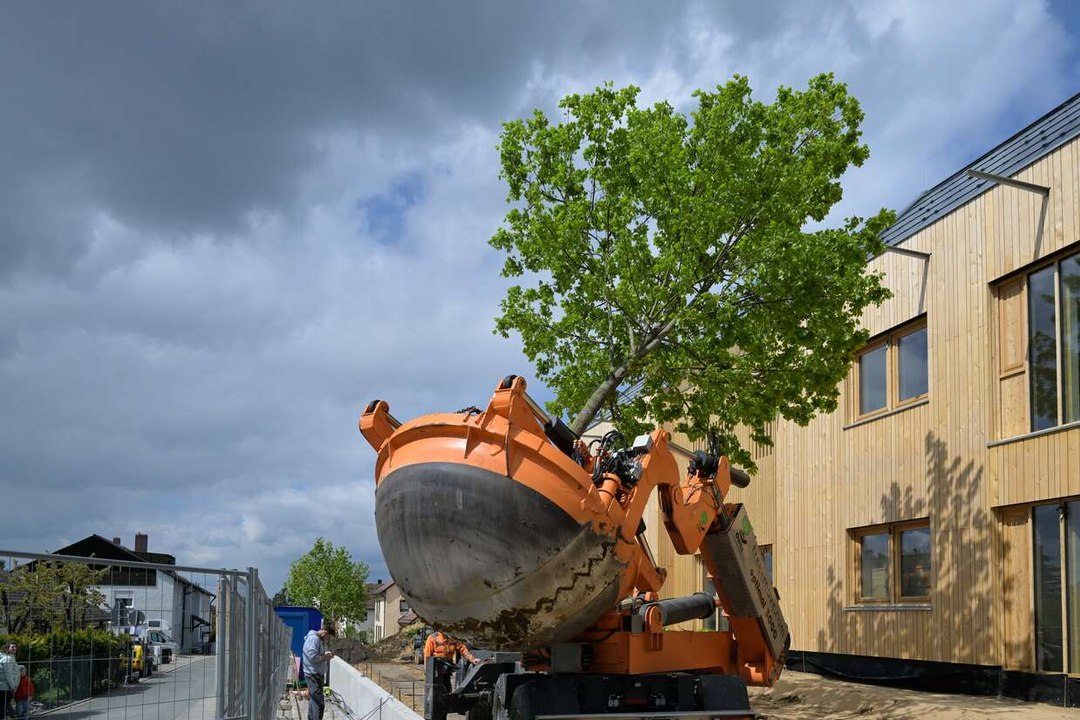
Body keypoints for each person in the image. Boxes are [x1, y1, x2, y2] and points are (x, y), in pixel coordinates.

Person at [301, 621, 335, 720]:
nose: (327, 639)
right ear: (324, 633)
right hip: (313, 675)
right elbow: (312, 656)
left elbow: (316, 653)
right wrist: (326, 657)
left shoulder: (317, 639)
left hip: (314, 674)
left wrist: (326, 654)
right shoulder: (314, 639)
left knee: (314, 700)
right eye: (328, 637)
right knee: (319, 704)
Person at [0, 643, 18, 720]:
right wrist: (13, 687)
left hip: (5, 687)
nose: (15, 648)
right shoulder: (7, 659)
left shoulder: (10, 658)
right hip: (5, 688)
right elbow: (8, 675)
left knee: (4, 707)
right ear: (7, 648)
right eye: (12, 647)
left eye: (15, 647)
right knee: (2, 708)